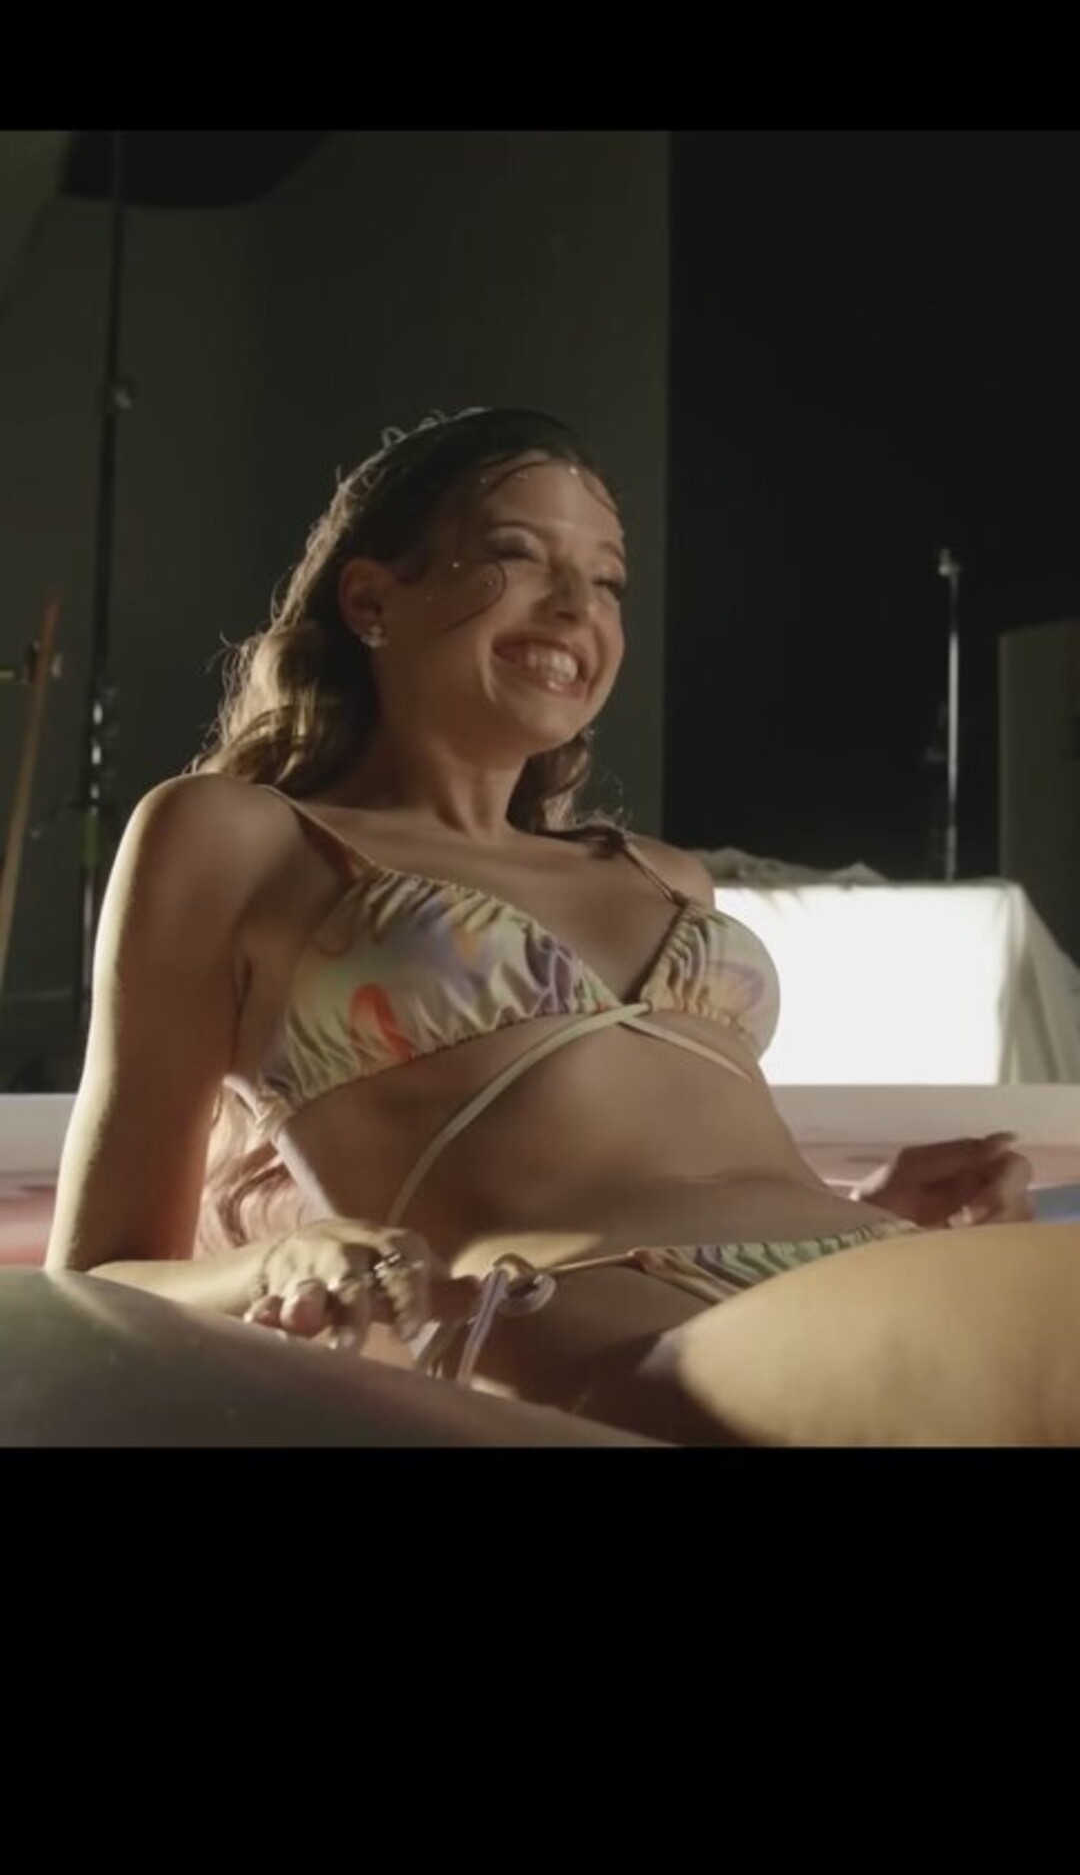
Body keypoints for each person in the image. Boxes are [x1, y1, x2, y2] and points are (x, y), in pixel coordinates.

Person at [46, 406, 1064, 1447]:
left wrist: (860, 1198)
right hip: (626, 1331)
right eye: (517, 555)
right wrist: (277, 1263)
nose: (578, 607)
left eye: (608, 581)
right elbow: (94, 1276)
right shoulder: (235, 836)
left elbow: (661, 1147)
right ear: (371, 600)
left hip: (865, 1267)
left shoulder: (662, 874)